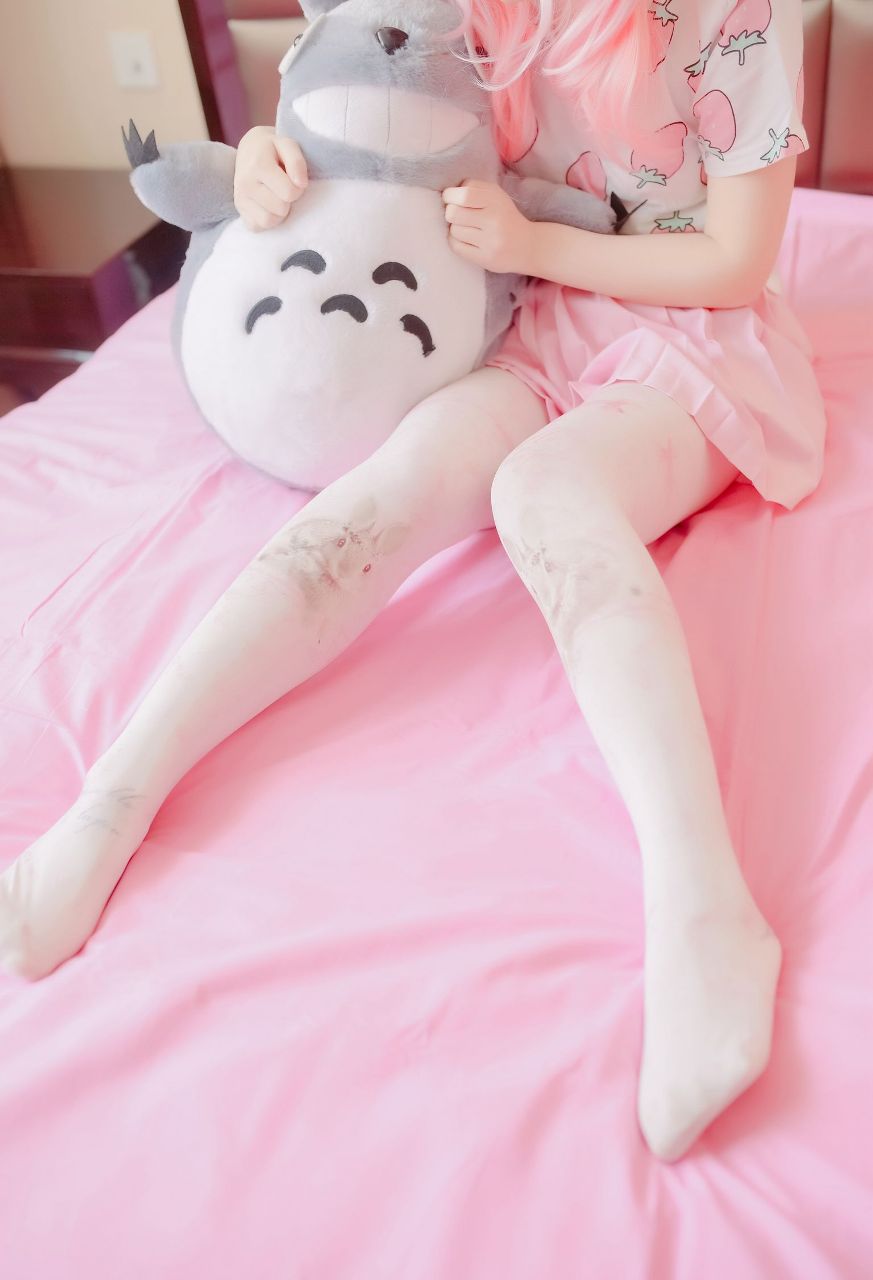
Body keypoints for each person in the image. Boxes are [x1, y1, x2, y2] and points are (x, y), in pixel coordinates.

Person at [0, 0, 824, 1162]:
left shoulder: (732, 14)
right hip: (532, 325)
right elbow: (366, 109)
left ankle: (705, 904)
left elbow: (735, 264)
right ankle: (112, 802)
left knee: (545, 496)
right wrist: (269, 158)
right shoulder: (478, 9)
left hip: (692, 335)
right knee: (377, 501)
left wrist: (530, 244)